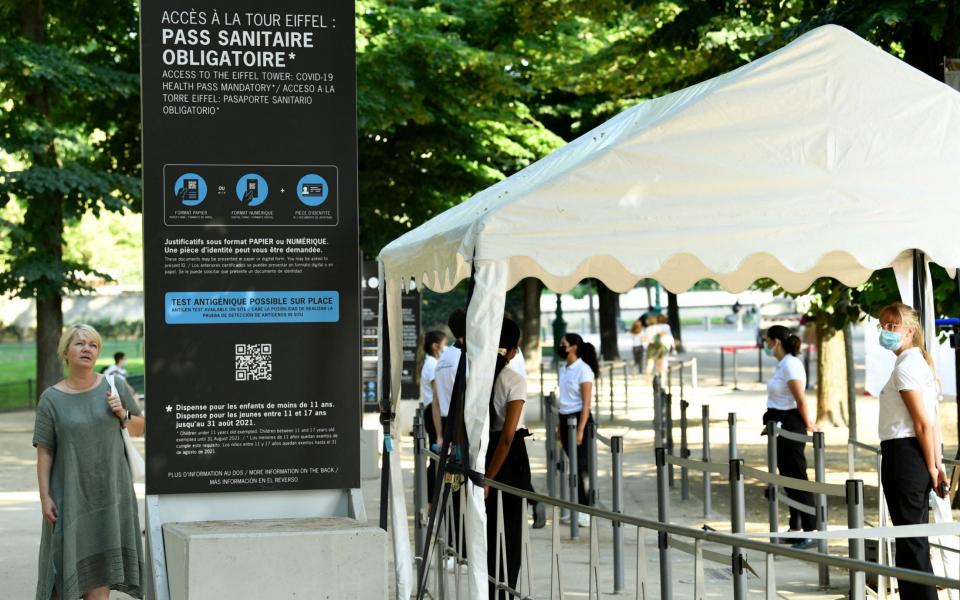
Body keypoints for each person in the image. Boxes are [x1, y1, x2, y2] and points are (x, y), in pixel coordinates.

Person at [33, 324, 145, 600]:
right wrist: (45, 497)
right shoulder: (51, 399)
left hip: (108, 497)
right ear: (65, 353)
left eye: (93, 345)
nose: (87, 349)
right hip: (68, 499)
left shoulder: (113, 386)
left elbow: (140, 427)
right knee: (61, 584)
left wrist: (123, 413)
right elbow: (45, 452)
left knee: (99, 584)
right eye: (80, 343)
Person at [876, 302, 947, 600]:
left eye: (893, 326)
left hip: (905, 454)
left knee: (911, 541)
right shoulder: (914, 362)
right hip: (907, 453)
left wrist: (932, 467)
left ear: (909, 329)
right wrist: (935, 463)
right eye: (883, 325)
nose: (886, 331)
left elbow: (922, 423)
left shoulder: (907, 365)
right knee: (909, 540)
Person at [484, 317, 533, 599]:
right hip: (509, 459)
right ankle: (505, 593)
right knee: (511, 535)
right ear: (513, 349)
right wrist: (491, 478)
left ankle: (490, 591)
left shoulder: (479, 378)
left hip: (486, 453)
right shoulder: (513, 379)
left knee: (490, 531)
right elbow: (507, 436)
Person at [761, 325, 818, 548]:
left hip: (790, 424)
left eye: (767, 341)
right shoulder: (783, 365)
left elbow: (800, 399)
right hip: (778, 422)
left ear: (776, 341)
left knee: (796, 477)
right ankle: (795, 526)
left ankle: (811, 530)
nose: (766, 345)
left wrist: (808, 423)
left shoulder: (791, 365)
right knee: (787, 477)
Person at [557, 332, 599, 526]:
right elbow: (563, 400)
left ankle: (585, 509)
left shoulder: (584, 370)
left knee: (582, 467)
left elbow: (586, 403)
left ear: (573, 347)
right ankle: (575, 507)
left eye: (563, 343)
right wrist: (559, 427)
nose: (560, 346)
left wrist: (581, 429)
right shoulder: (563, 368)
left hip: (579, 420)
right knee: (572, 466)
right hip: (565, 419)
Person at [419, 330, 447, 503]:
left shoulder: (432, 362)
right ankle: (431, 499)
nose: (446, 349)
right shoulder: (432, 365)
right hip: (433, 413)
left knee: (436, 456)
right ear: (435, 346)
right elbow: (437, 398)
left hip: (432, 412)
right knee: (435, 455)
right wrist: (439, 433)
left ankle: (432, 498)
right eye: (444, 345)